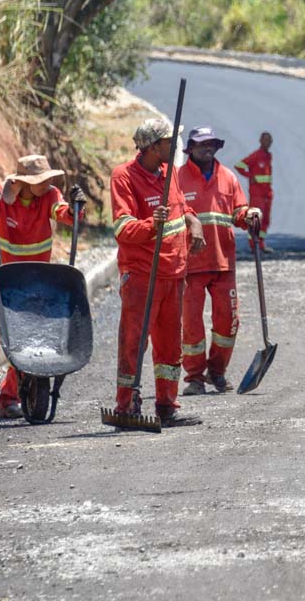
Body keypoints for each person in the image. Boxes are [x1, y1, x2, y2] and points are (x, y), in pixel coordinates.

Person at [0, 156, 85, 423]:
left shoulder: (50, 196)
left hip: (35, 282)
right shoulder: (2, 200)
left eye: (49, 179)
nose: (48, 183)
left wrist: (76, 207)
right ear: (23, 182)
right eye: (41, 180)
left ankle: (11, 399)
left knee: (28, 340)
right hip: (2, 282)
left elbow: (65, 215)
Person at [111, 119, 205, 426]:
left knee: (169, 345)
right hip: (141, 276)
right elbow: (123, 228)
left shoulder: (170, 174)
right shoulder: (123, 177)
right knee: (134, 342)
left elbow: (181, 209)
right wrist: (153, 223)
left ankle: (167, 405)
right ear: (153, 147)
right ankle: (126, 406)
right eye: (169, 142)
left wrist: (194, 222)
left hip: (173, 274)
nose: (175, 147)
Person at [178, 127, 261, 395]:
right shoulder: (178, 179)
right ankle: (194, 377)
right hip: (190, 265)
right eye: (202, 144)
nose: (208, 148)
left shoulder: (228, 178)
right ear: (190, 148)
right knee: (191, 324)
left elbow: (238, 211)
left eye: (212, 143)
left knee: (228, 322)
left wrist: (249, 216)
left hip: (224, 262)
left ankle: (217, 372)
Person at [235, 132, 273, 253]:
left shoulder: (268, 156)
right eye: (265, 140)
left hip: (267, 193)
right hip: (257, 194)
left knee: (266, 219)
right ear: (261, 141)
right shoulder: (256, 155)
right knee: (255, 219)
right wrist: (250, 176)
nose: (268, 143)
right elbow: (239, 165)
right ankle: (254, 245)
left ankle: (261, 243)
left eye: (269, 140)